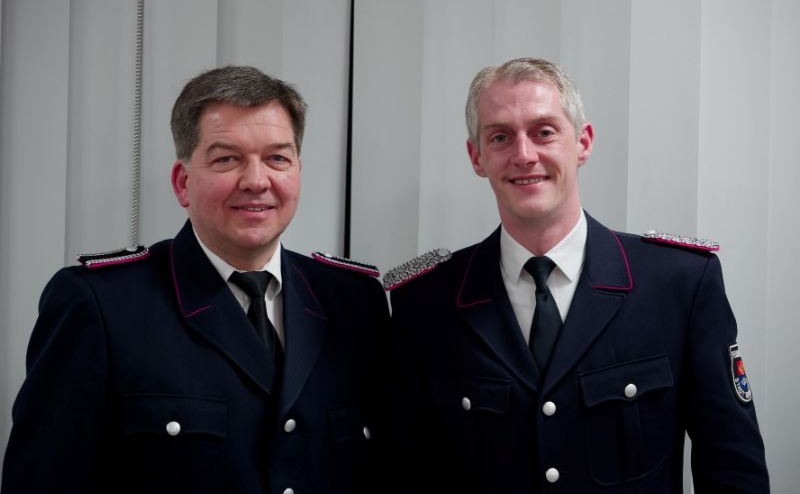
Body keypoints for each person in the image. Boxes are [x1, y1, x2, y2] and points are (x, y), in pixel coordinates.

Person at [385, 57, 769, 493]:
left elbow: (733, 468)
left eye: (544, 132)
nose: (524, 155)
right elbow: (405, 473)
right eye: (500, 137)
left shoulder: (678, 284)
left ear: (583, 143)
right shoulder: (427, 301)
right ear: (477, 157)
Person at [2, 66, 389, 494]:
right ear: (183, 183)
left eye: (277, 158)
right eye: (227, 159)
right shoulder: (101, 304)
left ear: (298, 172)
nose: (256, 181)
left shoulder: (354, 302)